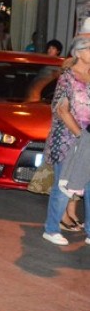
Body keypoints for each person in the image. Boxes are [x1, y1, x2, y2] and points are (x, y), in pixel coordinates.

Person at [41, 36, 90, 246]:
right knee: (63, 187)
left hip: (87, 138)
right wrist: (80, 135)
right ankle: (51, 229)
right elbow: (62, 109)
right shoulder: (67, 78)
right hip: (69, 140)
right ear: (78, 53)